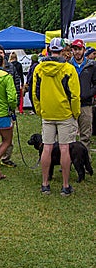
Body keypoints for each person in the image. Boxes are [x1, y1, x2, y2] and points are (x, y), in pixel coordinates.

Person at [32, 37, 80, 196]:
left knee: (47, 147)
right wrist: (76, 113)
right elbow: (74, 96)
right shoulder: (69, 69)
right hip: (65, 113)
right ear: (62, 51)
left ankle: (45, 184)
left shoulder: (39, 69)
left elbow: (35, 93)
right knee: (65, 148)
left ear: (49, 50)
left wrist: (40, 110)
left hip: (47, 113)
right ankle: (65, 186)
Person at [70, 38, 96, 159]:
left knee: (85, 135)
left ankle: (86, 162)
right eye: (75, 49)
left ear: (84, 50)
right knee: (69, 135)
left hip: (86, 104)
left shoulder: (91, 65)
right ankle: (67, 162)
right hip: (70, 105)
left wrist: (89, 93)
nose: (77, 52)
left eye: (79, 49)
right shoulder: (68, 66)